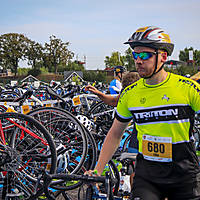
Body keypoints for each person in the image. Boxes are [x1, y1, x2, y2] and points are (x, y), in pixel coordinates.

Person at [85, 26, 200, 200]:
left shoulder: (188, 88)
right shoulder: (130, 93)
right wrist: (97, 170)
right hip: (148, 176)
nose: (138, 60)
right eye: (135, 55)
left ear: (163, 57)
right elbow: (115, 134)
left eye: (145, 55)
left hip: (184, 173)